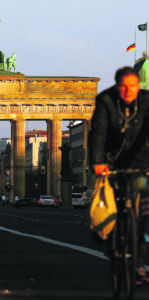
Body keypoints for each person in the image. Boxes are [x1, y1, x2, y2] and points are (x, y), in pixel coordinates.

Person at [89, 66, 149, 285]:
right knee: (106, 201)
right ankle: (108, 236)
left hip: (139, 161)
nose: (128, 90)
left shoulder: (146, 102)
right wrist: (97, 162)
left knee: (144, 209)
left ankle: (139, 265)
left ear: (138, 86)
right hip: (110, 160)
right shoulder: (105, 101)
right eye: (123, 86)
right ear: (117, 86)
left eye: (132, 85)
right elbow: (98, 133)